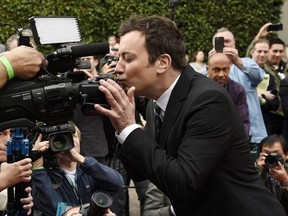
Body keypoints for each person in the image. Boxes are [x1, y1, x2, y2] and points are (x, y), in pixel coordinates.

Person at [94, 15, 286, 216]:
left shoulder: (208, 100)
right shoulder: (155, 102)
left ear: (162, 62)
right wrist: (122, 129)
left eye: (128, 58)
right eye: (118, 58)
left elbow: (183, 182)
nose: (117, 68)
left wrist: (129, 128)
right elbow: (142, 173)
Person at [31, 123, 123, 216]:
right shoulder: (45, 176)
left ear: (79, 140)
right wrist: (38, 167)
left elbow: (116, 183)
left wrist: (81, 159)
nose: (68, 141)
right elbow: (52, 208)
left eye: (73, 136)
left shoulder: (89, 170)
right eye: (62, 137)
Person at [210, 27, 267, 160]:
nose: (224, 45)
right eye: (220, 42)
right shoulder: (207, 69)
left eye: (227, 41)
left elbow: (259, 77)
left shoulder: (247, 63)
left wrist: (237, 61)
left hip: (253, 134)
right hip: (220, 137)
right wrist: (212, 63)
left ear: (234, 44)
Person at [246, 23, 288, 135]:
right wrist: (263, 97)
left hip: (283, 118)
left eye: (281, 51)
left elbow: (274, 102)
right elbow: (247, 61)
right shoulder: (262, 69)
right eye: (275, 51)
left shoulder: (285, 68)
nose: (278, 54)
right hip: (268, 119)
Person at [207, 52, 250, 138]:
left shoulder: (237, 90)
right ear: (207, 69)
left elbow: (243, 122)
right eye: (216, 70)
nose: (221, 75)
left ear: (229, 69)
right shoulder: (197, 88)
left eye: (225, 70)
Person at [0, 129, 34, 215]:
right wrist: (3, 180)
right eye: (0, 134)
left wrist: (25, 206)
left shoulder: (17, 170)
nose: (7, 141)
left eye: (11, 135)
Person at [250, 38, 279, 135]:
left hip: (263, 125)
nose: (262, 55)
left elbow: (275, 104)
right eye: (259, 51)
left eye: (265, 52)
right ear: (252, 52)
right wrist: (263, 95)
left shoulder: (269, 76)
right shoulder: (242, 72)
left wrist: (261, 98)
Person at [255, 134, 288, 214]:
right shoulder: (253, 170)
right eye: (267, 154)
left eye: (275, 154)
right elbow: (249, 197)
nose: (271, 158)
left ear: (286, 155)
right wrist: (258, 170)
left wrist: (286, 181)